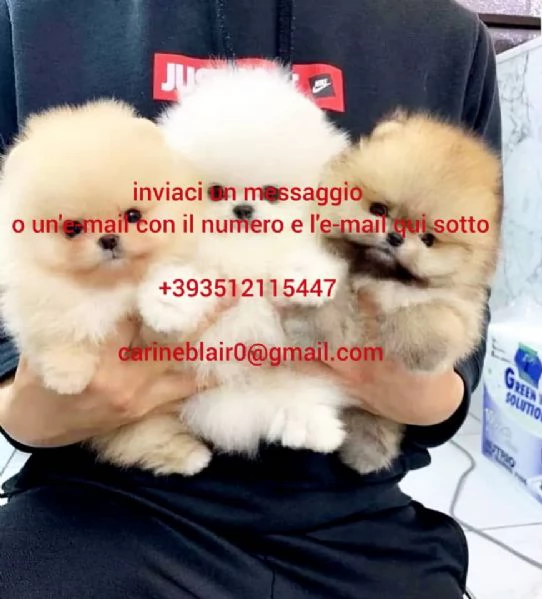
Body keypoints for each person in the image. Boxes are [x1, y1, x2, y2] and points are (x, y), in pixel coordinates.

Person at [0, 1, 501, 597]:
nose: (243, 208)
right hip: (100, 494)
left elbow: (463, 314)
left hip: (350, 505)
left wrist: (407, 382)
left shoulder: (448, 39)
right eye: (217, 192)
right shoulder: (30, 17)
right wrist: (33, 406)